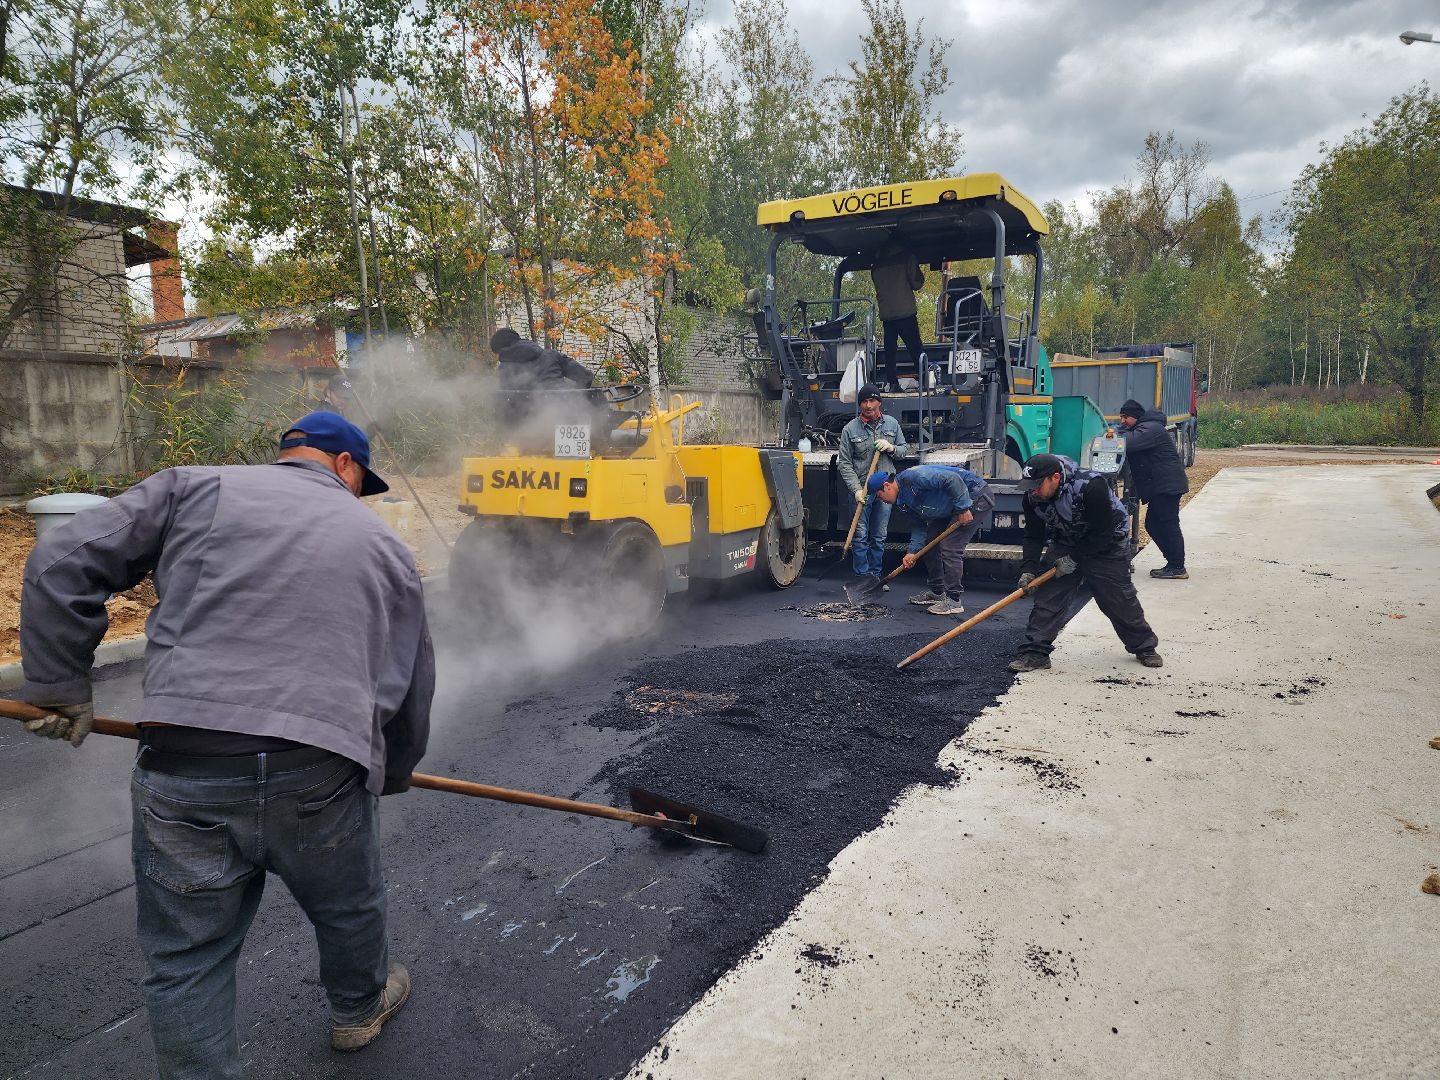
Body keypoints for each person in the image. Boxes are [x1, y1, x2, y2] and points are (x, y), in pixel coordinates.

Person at [18, 410, 435, 1079]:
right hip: (321, 768)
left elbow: (60, 559)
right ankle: (359, 1011)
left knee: (187, 958)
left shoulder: (192, 486)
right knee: (349, 901)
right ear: (346, 466)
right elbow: (410, 679)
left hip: (185, 760)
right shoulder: (381, 542)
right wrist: (390, 771)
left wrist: (60, 683)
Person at [1007, 453, 1162, 672]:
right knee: (1049, 598)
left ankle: (1144, 646)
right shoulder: (1032, 497)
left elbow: (1103, 532)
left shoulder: (1090, 486)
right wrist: (1029, 569)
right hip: (1066, 541)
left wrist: (1074, 559)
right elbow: (1033, 535)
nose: (1032, 490)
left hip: (1107, 544)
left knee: (1118, 600)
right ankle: (1036, 652)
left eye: (1036, 485)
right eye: (1029, 485)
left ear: (1056, 477)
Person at [869, 463, 994, 617]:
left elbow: (952, 479)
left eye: (879, 496)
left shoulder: (913, 477)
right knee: (929, 544)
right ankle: (938, 592)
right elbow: (919, 527)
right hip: (950, 506)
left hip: (974, 496)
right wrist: (912, 552)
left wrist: (963, 507)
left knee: (950, 547)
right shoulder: (902, 503)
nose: (882, 501)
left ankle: (954, 600)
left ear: (887, 486)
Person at [836, 384, 908, 585]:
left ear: (879, 402)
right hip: (863, 490)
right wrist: (856, 490)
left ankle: (875, 577)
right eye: (864, 402)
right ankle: (862, 578)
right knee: (860, 537)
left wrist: (892, 447)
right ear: (860, 405)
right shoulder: (850, 430)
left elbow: (904, 451)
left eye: (872, 401)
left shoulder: (892, 425)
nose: (868, 406)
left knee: (879, 536)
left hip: (885, 490)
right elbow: (845, 463)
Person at [1117, 398, 1190, 579]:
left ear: (1135, 416)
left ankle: (1177, 566)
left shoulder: (1151, 428)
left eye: (1125, 417)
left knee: (1167, 524)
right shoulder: (1146, 428)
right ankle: (1173, 563)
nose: (1122, 421)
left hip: (1166, 485)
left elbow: (1129, 443)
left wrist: (1113, 434)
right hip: (1162, 485)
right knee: (1153, 524)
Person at [870, 242, 925, 392]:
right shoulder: (906, 256)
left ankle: (892, 383)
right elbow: (917, 283)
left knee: (890, 351)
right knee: (915, 348)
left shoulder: (876, 264)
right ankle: (924, 381)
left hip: (887, 314)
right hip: (905, 312)